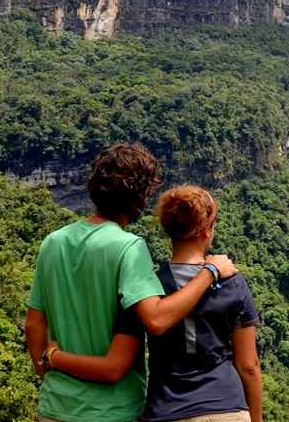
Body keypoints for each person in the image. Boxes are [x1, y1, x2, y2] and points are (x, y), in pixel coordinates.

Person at [25, 143, 237, 422]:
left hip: (54, 408)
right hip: (113, 412)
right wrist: (210, 270)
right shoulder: (128, 248)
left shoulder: (53, 243)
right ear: (139, 198)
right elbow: (157, 319)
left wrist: (49, 364)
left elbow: (34, 324)